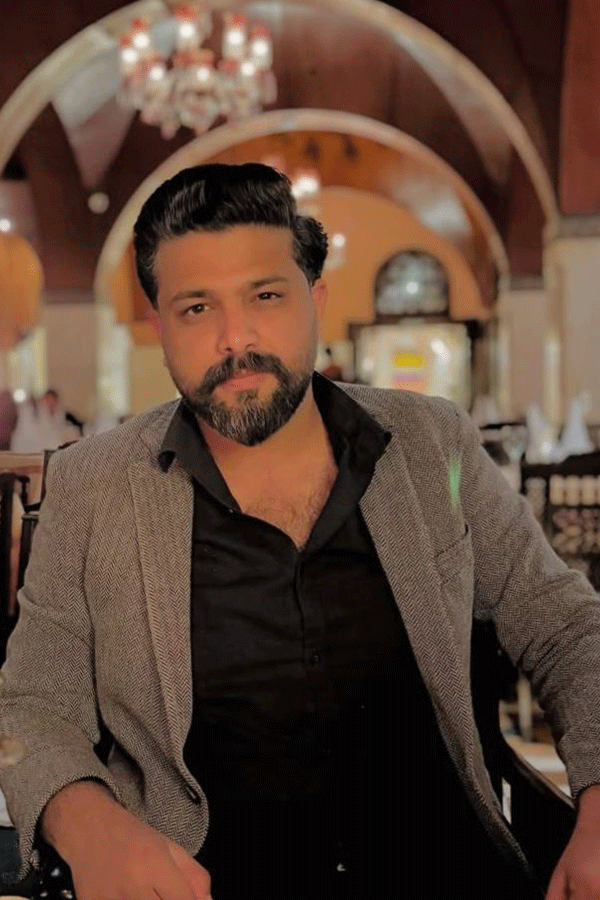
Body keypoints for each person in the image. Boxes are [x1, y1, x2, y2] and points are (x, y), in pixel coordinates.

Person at [1, 163, 600, 900]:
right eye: (196, 307)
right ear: (159, 325)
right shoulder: (92, 487)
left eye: (266, 296)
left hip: (445, 873)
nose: (235, 338)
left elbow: (566, 627)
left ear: (314, 298)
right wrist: (91, 827)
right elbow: (33, 701)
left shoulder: (430, 443)